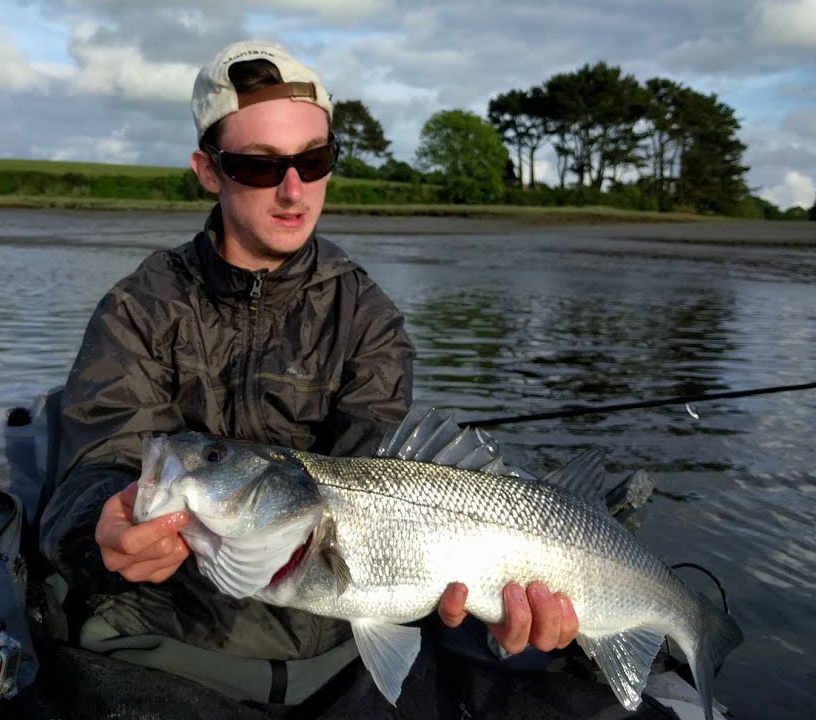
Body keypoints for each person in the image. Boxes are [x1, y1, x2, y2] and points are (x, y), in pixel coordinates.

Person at [35, 39, 578, 714]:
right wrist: (100, 526)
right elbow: (92, 470)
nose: (294, 191)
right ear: (208, 172)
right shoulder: (138, 307)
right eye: (259, 166)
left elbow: (378, 489)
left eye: (314, 160)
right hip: (163, 640)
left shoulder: (368, 316)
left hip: (335, 651)